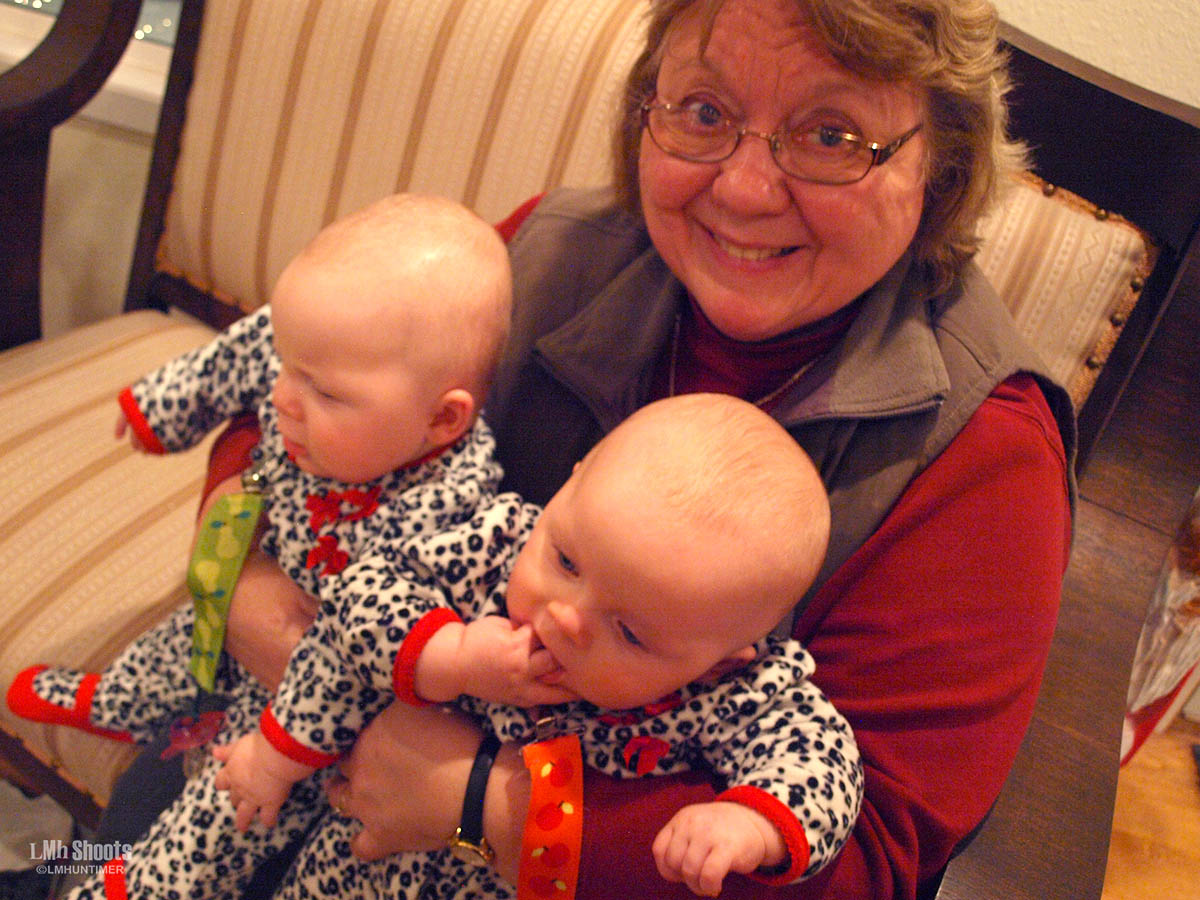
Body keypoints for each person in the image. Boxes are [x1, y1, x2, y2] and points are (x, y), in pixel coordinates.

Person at [99, 0, 1077, 898]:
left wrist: (486, 806)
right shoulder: (550, 249)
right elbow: (292, 388)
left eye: (832, 136)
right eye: (704, 112)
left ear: (941, 169)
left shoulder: (986, 464)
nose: (744, 188)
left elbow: (873, 860)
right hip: (295, 736)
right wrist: (255, 595)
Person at [6, 192, 519, 898]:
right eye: (288, 365)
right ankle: (120, 697)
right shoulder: (325, 367)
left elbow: (348, 665)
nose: (281, 398)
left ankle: (141, 884)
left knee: (230, 805)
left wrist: (276, 755)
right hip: (261, 598)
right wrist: (160, 409)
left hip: (312, 708)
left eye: (325, 393)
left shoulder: (445, 520)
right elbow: (241, 353)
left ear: (442, 420)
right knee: (189, 631)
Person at [268, 393, 859, 899]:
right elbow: (362, 590)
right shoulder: (497, 546)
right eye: (566, 562)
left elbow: (824, 764)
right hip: (358, 856)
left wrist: (747, 824)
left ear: (718, 666)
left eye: (629, 632)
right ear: (567, 488)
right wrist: (451, 655)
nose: (567, 617)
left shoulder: (733, 695)